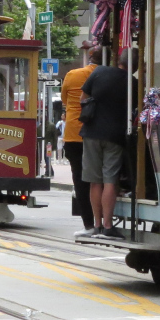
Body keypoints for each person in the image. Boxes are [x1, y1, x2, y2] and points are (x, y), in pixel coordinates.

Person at [78, 50, 131, 239]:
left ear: (118, 60)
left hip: (91, 132)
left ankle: (97, 225)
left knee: (95, 181)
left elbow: (83, 98)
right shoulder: (132, 82)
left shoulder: (99, 72)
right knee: (110, 180)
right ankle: (108, 226)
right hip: (114, 135)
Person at [60, 45, 99, 237]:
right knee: (100, 178)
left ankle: (88, 224)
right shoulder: (104, 75)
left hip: (74, 133)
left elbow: (64, 100)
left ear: (89, 57)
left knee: (80, 179)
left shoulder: (72, 75)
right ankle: (103, 221)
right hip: (96, 132)